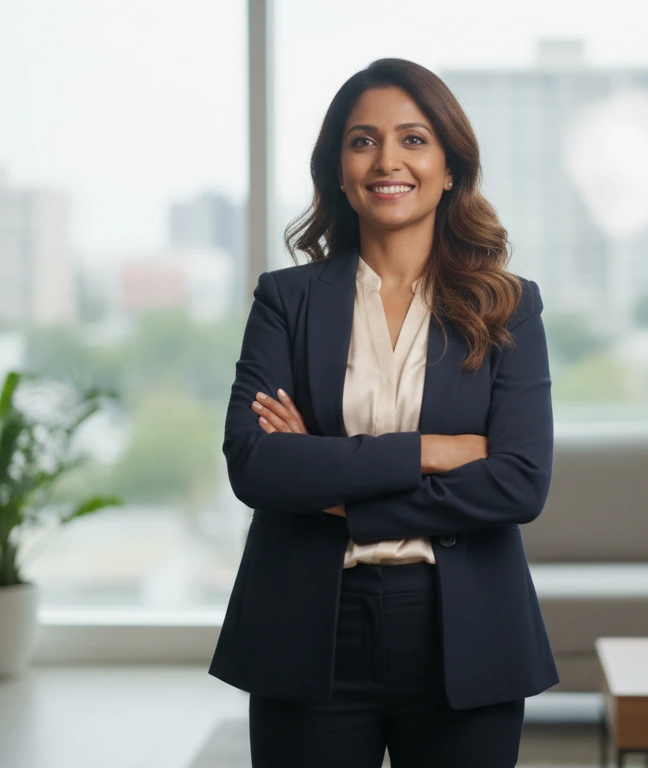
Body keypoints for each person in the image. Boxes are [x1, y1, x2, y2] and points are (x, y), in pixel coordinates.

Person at [207, 57, 559, 767]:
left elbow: (519, 483)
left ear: (450, 165)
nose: (387, 160)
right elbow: (255, 465)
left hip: (464, 631)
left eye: (413, 139)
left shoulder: (510, 305)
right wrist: (429, 449)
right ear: (339, 168)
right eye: (363, 140)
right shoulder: (286, 300)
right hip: (309, 629)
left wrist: (338, 495)